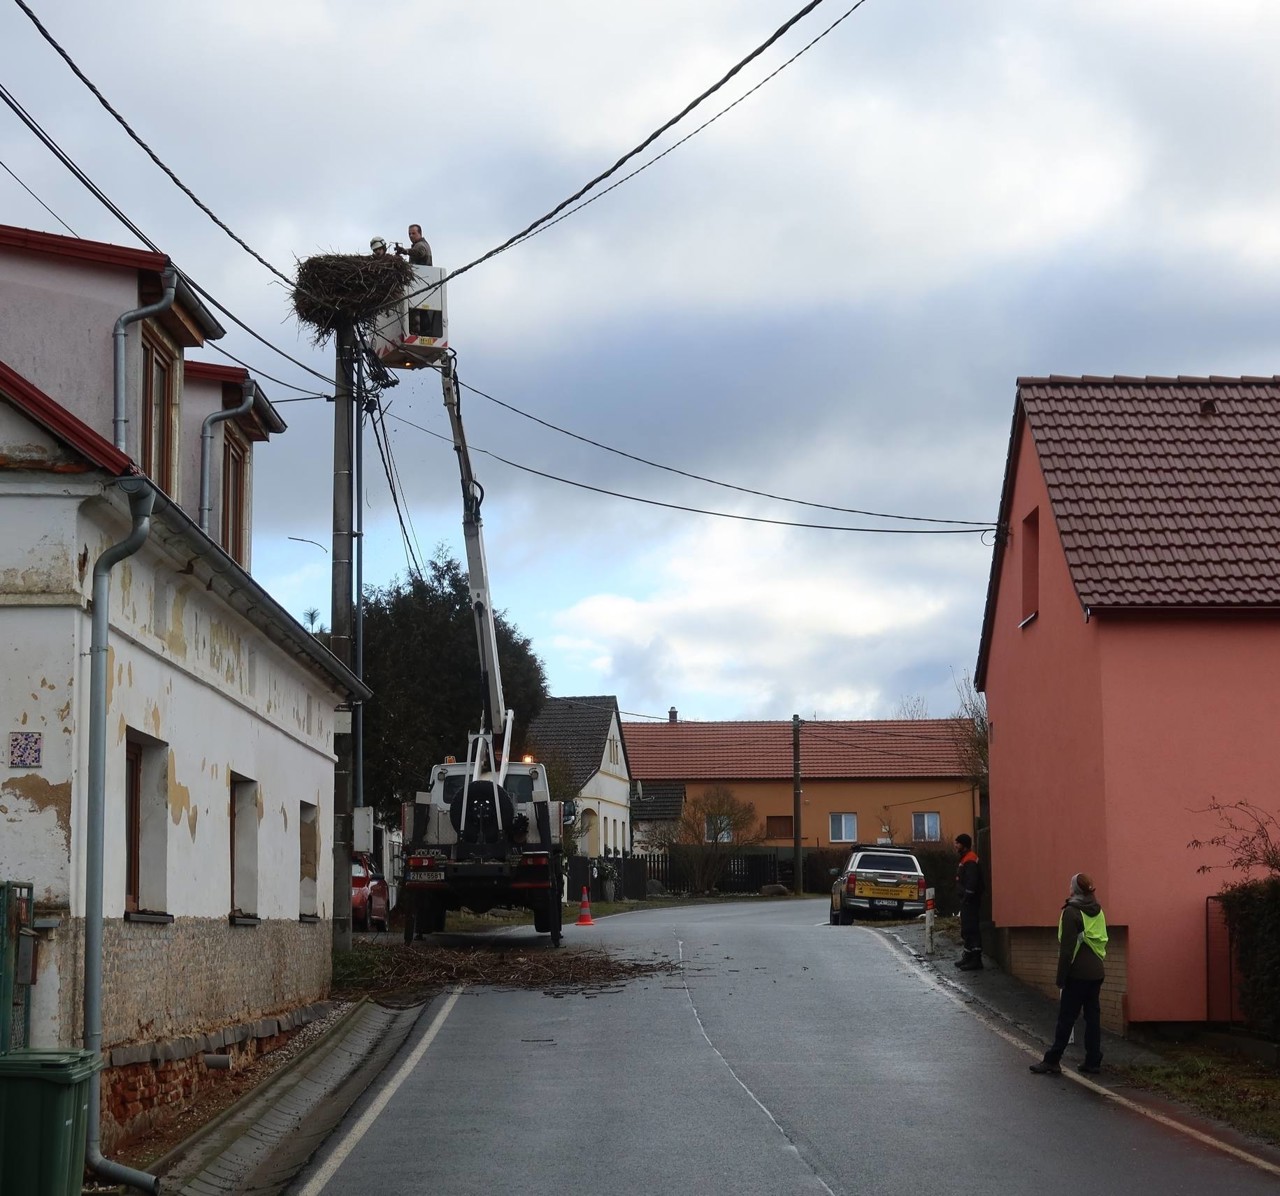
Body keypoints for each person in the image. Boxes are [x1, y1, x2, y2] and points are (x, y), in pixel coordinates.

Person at [1030, 872, 1108, 1076]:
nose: (1069, 887)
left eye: (1071, 884)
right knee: (1092, 1018)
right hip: (1096, 971)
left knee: (1066, 1018)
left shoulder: (1072, 912)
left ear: (1075, 889)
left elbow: (1067, 951)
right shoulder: (1097, 910)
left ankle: (1052, 1060)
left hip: (1078, 973)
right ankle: (1093, 1060)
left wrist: (1061, 978)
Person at [954, 833, 984, 970]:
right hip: (967, 899)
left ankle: (976, 959)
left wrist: (967, 897)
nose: (956, 846)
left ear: (964, 845)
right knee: (966, 929)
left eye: (958, 843)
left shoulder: (970, 859)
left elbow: (972, 881)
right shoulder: (966, 858)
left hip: (970, 900)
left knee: (971, 929)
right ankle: (968, 955)